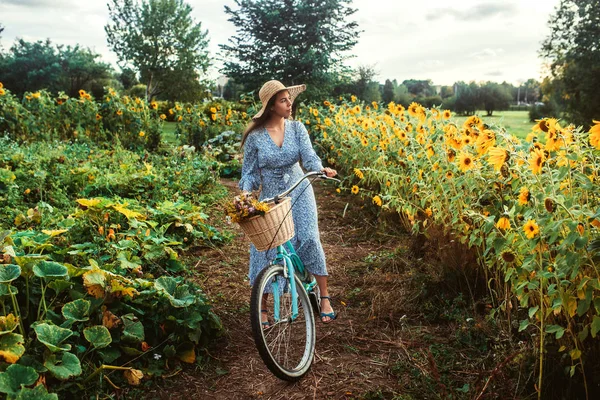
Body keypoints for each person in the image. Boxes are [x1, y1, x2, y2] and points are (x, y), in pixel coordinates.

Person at [239, 80, 337, 325]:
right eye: (283, 100)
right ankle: (261, 307)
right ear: (271, 106)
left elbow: (309, 157)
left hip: (299, 190)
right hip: (271, 197)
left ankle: (324, 296)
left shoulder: (297, 129)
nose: (289, 104)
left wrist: (320, 169)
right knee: (265, 248)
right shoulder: (255, 137)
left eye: (289, 99)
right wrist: (246, 196)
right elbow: (249, 173)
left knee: (310, 238)